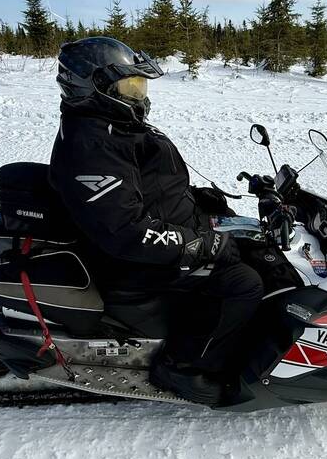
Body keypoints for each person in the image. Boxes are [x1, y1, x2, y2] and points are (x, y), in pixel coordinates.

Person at [48, 37, 263, 404]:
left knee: (255, 246)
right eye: (129, 87)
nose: (139, 96)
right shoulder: (92, 147)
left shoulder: (111, 125)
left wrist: (198, 199)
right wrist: (202, 245)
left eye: (139, 86)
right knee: (243, 283)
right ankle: (182, 366)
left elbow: (149, 184)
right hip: (131, 261)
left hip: (160, 232)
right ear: (93, 87)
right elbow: (125, 231)